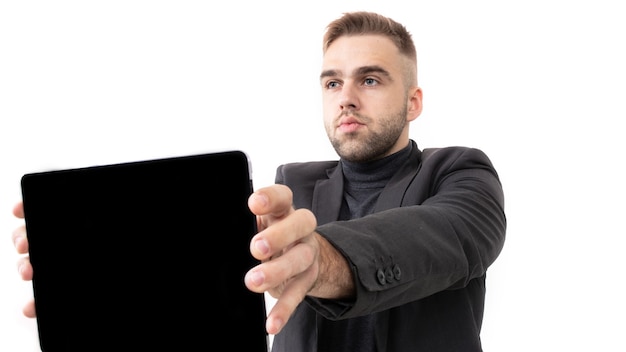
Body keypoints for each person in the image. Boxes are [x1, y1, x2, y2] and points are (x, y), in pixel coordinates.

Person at [13, 11, 506, 352]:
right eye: (333, 82)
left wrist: (320, 259)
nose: (346, 97)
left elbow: (439, 238)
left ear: (414, 102)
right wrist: (96, 270)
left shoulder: (461, 173)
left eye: (370, 80)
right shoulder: (294, 185)